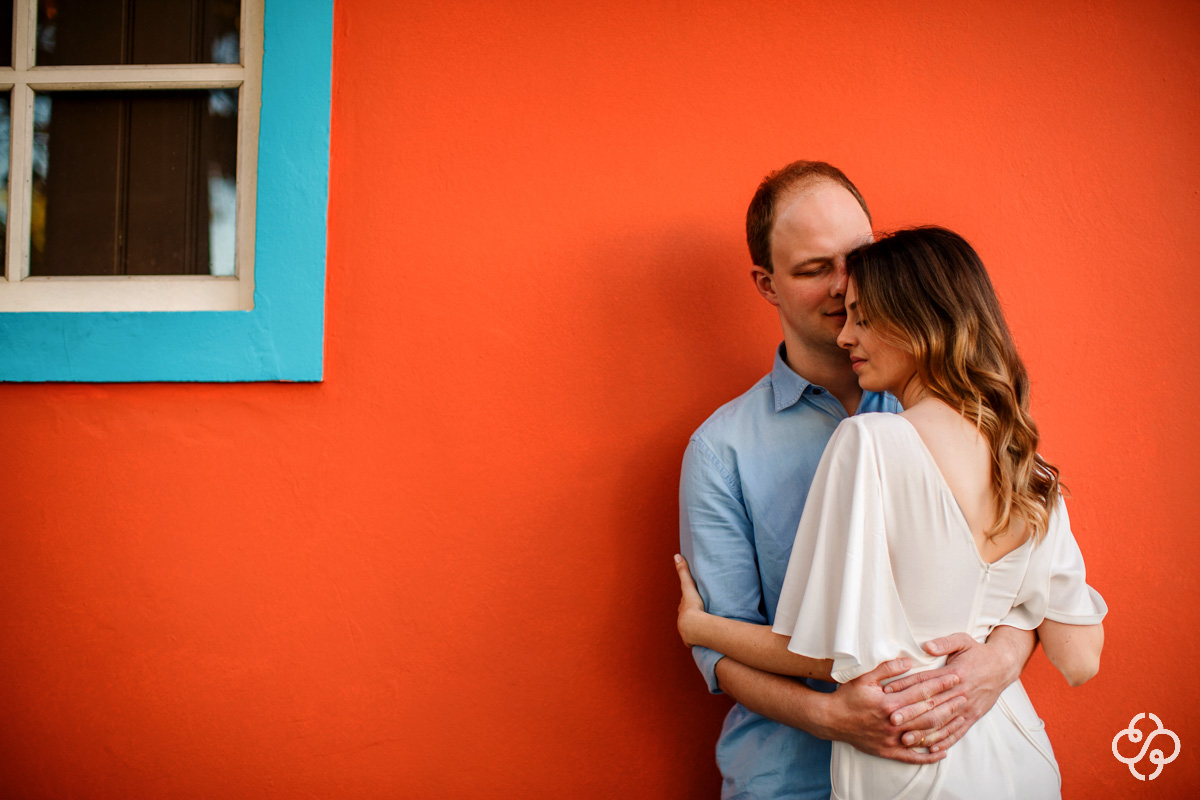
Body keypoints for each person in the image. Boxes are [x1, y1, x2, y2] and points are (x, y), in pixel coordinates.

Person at [677, 227, 1106, 799]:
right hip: (1019, 761)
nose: (845, 335)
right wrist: (997, 646)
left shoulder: (870, 442)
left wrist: (698, 627)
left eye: (862, 317)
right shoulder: (1029, 462)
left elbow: (822, 654)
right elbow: (1079, 658)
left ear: (917, 322)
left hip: (912, 768)